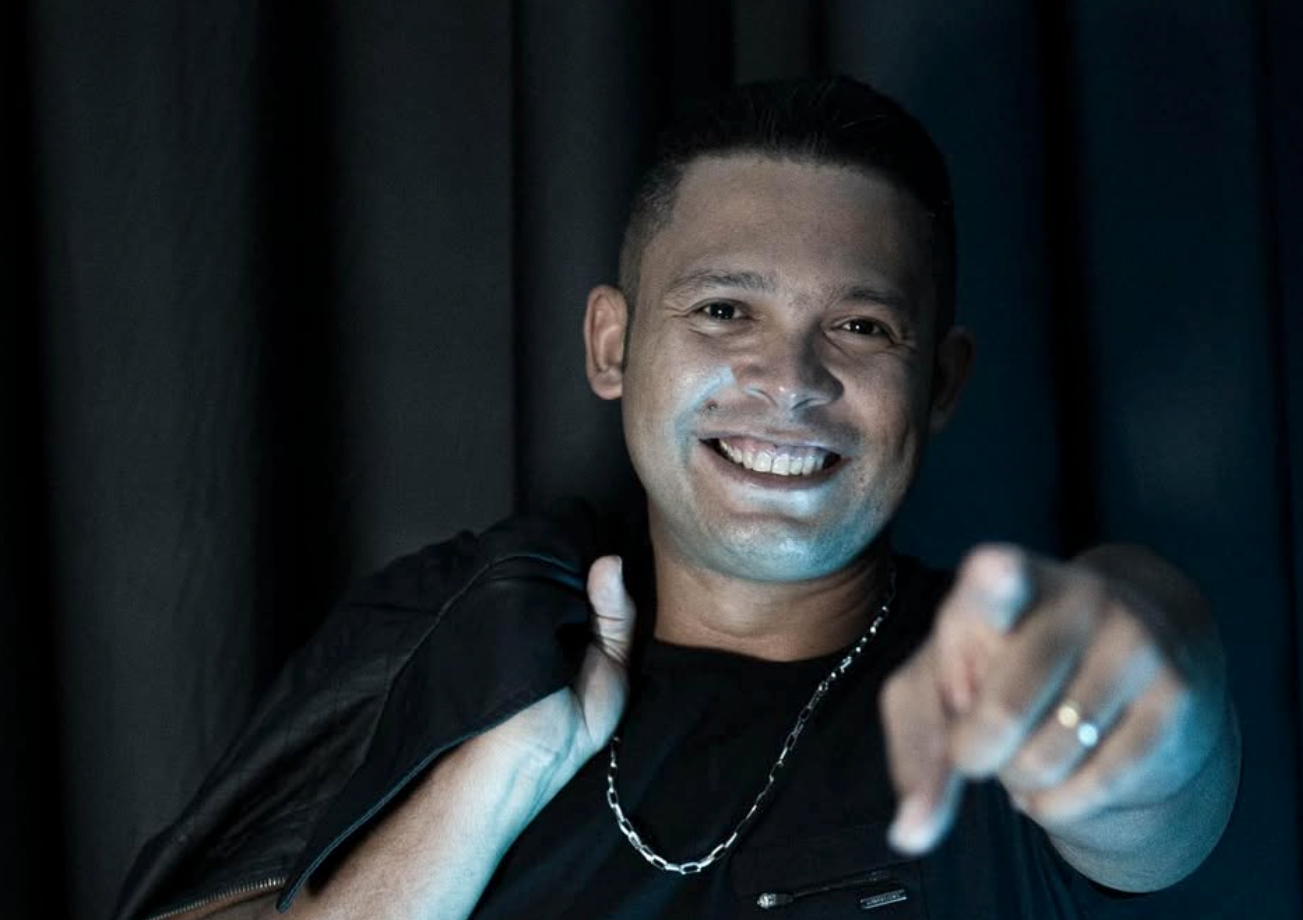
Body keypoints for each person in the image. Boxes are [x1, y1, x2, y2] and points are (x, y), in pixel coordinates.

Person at [115, 75, 1239, 920]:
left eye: (860, 326)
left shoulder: (997, 679)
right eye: (723, 311)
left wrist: (1139, 647)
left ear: (938, 383)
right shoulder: (454, 620)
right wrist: (482, 781)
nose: (788, 381)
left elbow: (1154, 755)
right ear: (612, 344)